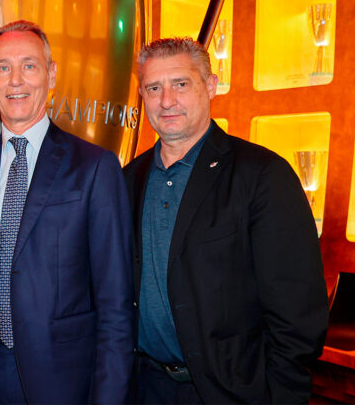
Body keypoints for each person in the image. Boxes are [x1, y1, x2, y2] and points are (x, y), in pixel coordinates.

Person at [0, 20, 134, 405]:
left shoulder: (94, 167)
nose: (15, 80)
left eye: (29, 65)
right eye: (3, 68)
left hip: (63, 378)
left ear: (51, 74)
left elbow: (115, 303)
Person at [125, 37, 329, 404]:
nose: (166, 100)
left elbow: (297, 310)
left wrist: (274, 393)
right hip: (144, 388)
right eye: (154, 88)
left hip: (232, 393)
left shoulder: (262, 175)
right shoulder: (128, 179)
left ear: (210, 86)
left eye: (180, 84)